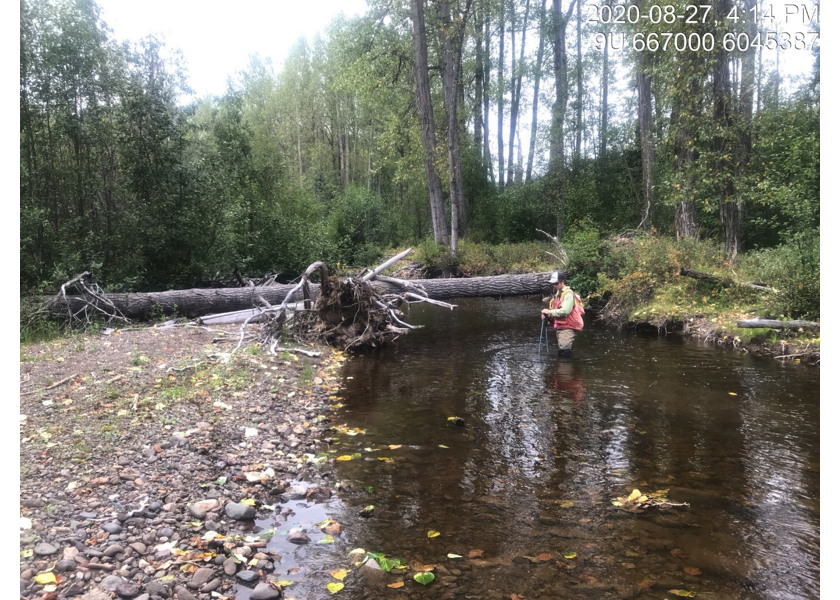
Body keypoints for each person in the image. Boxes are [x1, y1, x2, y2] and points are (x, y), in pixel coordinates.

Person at [541, 271, 584, 358]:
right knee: (564, 352)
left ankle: (565, 371)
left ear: (562, 282)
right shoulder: (558, 293)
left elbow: (565, 311)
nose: (554, 286)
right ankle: (569, 370)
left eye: (556, 283)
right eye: (553, 284)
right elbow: (555, 309)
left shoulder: (568, 294)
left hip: (568, 327)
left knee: (564, 353)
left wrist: (549, 312)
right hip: (562, 327)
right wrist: (547, 315)